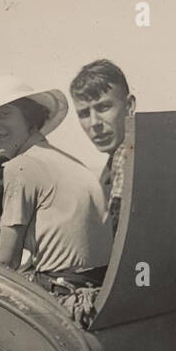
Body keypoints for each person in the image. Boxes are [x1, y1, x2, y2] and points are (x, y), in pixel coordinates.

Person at [0, 76, 111, 296]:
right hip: (96, 288)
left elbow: (6, 262)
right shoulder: (67, 160)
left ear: (30, 118)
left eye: (5, 113)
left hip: (62, 295)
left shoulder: (20, 166)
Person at [70, 59, 135, 234]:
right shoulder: (112, 164)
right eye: (84, 114)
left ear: (129, 106)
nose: (94, 123)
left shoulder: (126, 156)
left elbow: (115, 234)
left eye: (103, 107)